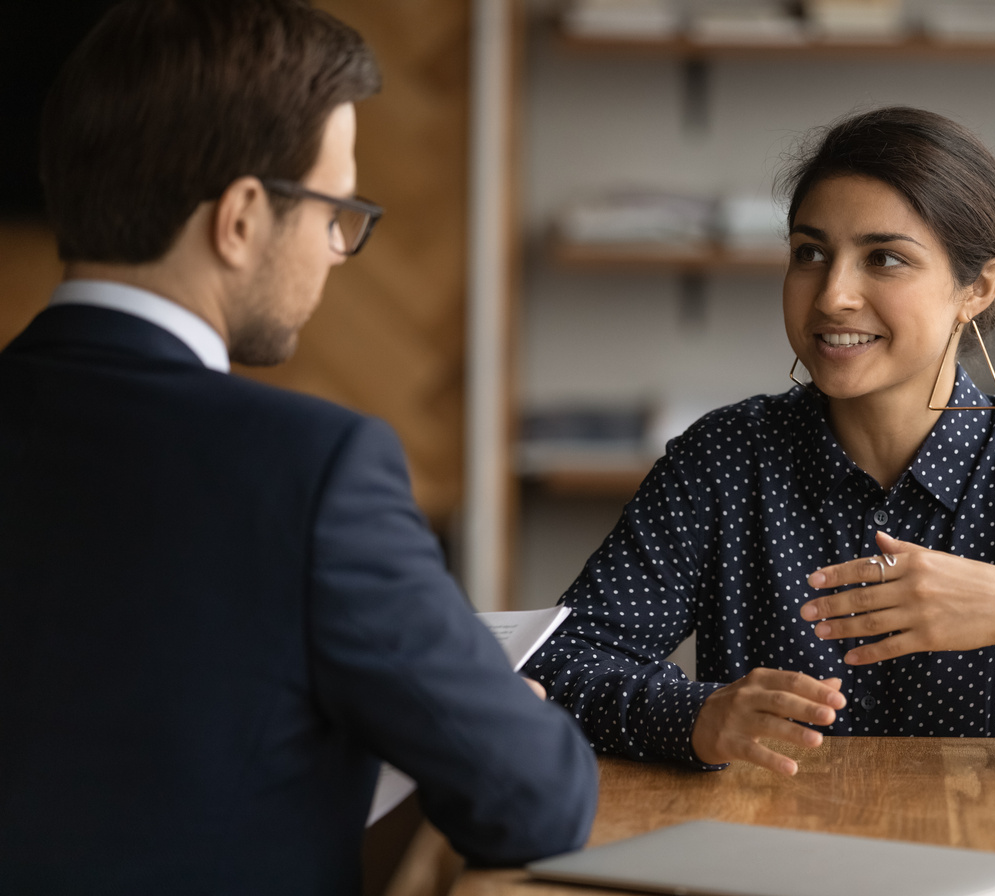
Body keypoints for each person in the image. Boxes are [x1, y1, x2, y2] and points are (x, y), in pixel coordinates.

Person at [0, 1, 596, 892]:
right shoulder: (313, 468)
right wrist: (500, 715)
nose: (338, 249)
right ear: (240, 216)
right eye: (335, 209)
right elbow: (535, 798)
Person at [526, 106, 995, 776]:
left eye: (884, 258)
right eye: (809, 252)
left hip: (980, 857)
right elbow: (559, 665)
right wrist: (695, 716)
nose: (831, 296)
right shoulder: (725, 459)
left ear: (976, 289)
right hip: (764, 862)